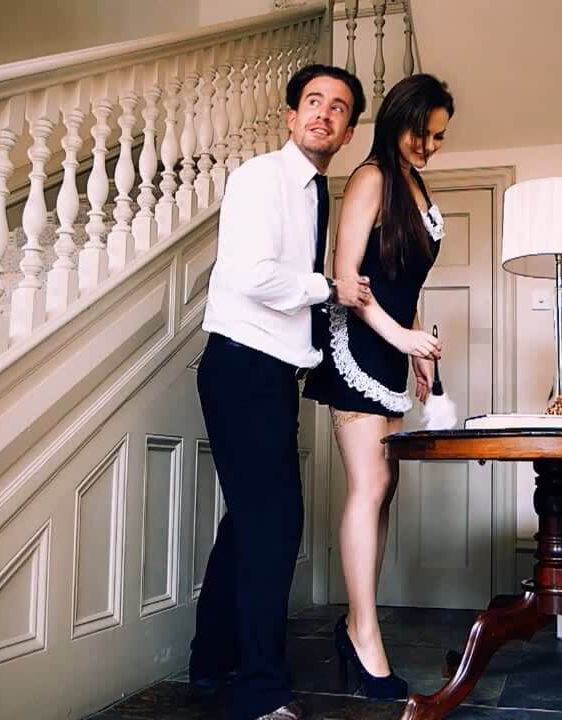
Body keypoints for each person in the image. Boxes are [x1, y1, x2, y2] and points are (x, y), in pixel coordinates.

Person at [189, 63, 370, 720]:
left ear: (348, 132)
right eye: (313, 102)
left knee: (248, 523)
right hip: (243, 367)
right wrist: (330, 288)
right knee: (274, 527)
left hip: (268, 373)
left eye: (338, 107)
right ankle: (261, 693)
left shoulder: (315, 192)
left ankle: (211, 663)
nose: (324, 113)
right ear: (291, 117)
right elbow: (251, 274)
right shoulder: (262, 178)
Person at [302, 73, 454, 700]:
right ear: (397, 121)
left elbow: (403, 283)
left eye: (440, 137)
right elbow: (348, 278)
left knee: (385, 489)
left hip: (392, 347)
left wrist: (420, 351)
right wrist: (401, 338)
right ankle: (364, 635)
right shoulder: (370, 179)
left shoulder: (417, 184)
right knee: (370, 485)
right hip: (358, 345)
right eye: (423, 133)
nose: (430, 145)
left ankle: (355, 625)